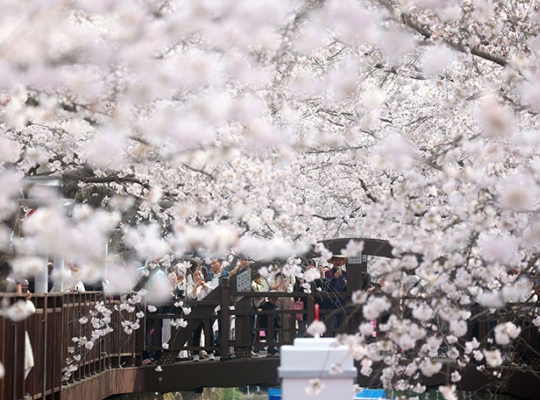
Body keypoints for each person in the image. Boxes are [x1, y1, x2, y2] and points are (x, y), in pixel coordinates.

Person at [186, 268, 215, 361]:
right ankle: (195, 353)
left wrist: (204, 286)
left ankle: (210, 352)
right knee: (196, 333)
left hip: (207, 312)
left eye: (199, 274)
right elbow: (191, 296)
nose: (198, 277)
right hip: (196, 312)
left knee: (209, 332)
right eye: (195, 275)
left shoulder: (208, 284)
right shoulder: (191, 286)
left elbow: (213, 293)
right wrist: (196, 286)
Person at [269, 268, 296, 342]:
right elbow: (272, 287)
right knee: (278, 319)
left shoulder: (290, 274)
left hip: (287, 298)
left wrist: (286, 286)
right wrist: (279, 284)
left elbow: (292, 286)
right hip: (277, 298)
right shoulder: (274, 275)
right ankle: (278, 340)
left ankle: (287, 340)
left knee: (286, 320)